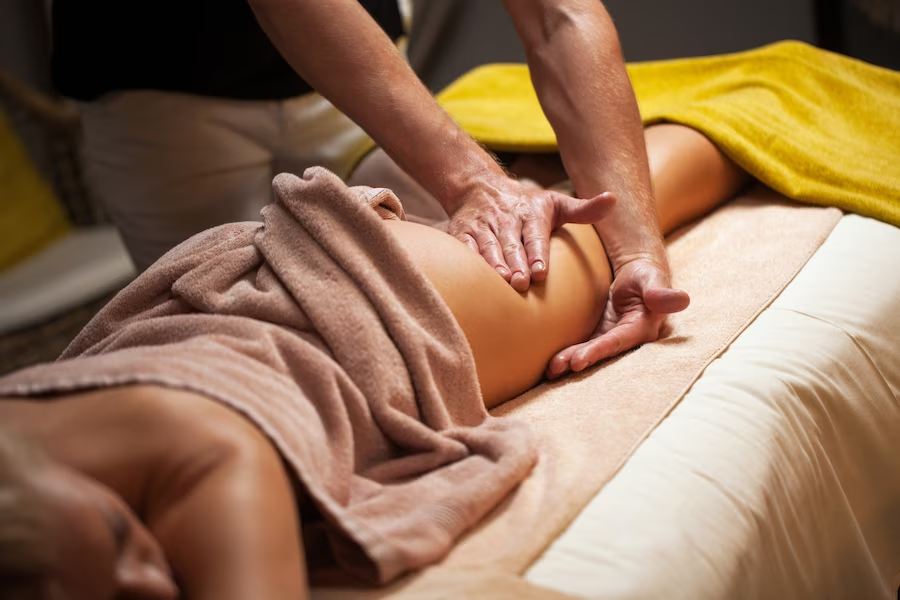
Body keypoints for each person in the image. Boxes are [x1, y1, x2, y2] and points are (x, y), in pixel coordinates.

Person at [0, 123, 749, 599]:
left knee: (617, 224)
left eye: (123, 536)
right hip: (208, 310)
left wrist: (637, 252)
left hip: (360, 298)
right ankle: (515, 141)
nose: (155, 587)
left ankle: (766, 96)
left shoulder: (202, 450)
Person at [52, 0, 686, 376]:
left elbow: (558, 15)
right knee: (233, 331)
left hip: (352, 76)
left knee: (461, 264)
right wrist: (475, 181)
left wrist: (634, 250)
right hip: (158, 89)